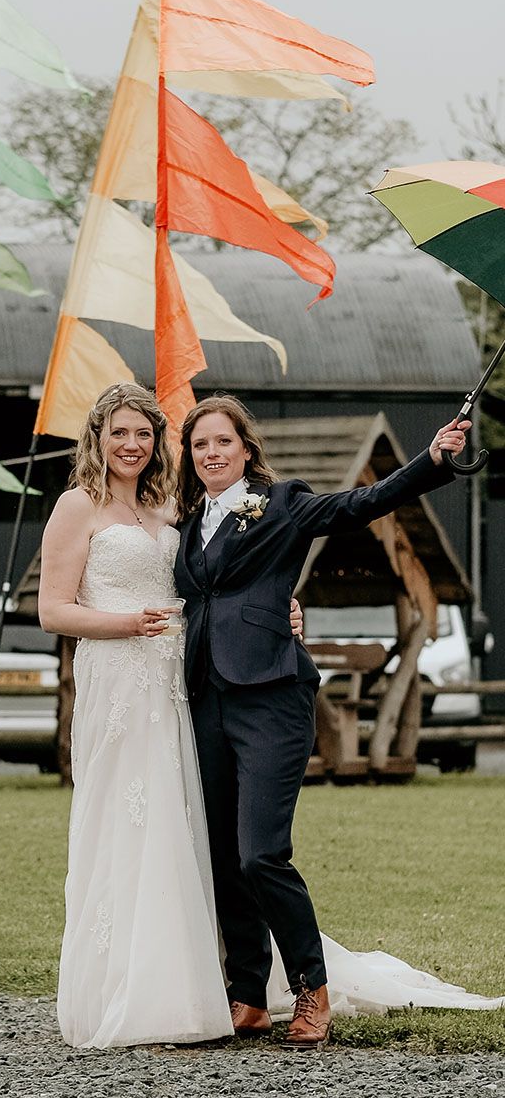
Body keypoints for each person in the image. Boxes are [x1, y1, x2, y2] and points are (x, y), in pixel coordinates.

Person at [173, 394, 471, 1049]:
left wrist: (432, 461)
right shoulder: (184, 521)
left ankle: (312, 989)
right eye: (200, 445)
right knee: (224, 858)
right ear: (190, 457)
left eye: (223, 442)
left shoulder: (279, 504)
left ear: (245, 449)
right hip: (203, 700)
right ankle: (247, 995)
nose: (212, 453)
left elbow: (356, 506)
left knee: (260, 855)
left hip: (273, 698)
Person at [38, 382, 301, 1049]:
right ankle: (135, 986)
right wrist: (126, 624)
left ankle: (216, 979)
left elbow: (220, 583)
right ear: (97, 436)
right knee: (130, 822)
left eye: (145, 434)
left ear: (159, 442)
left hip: (183, 683)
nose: (133, 445)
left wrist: (284, 610)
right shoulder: (78, 506)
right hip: (120, 682)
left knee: (189, 823)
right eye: (120, 432)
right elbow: (54, 611)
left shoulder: (170, 506)